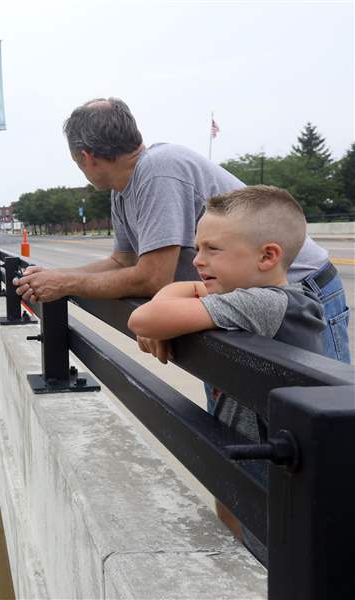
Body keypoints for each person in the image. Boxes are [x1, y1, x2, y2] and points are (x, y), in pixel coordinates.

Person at [14, 97, 350, 364]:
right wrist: (55, 276)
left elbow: (152, 277)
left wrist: (65, 283)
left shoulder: (158, 171)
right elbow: (121, 262)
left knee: (318, 408)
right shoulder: (123, 188)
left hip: (294, 288)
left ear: (86, 157)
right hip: (229, 293)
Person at [127, 185, 327, 565]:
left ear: (268, 256)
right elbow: (156, 316)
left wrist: (176, 304)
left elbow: (144, 318)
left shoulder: (268, 302)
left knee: (280, 554)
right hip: (250, 454)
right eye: (198, 248)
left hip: (286, 469)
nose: (198, 260)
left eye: (212, 250)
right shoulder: (247, 297)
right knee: (239, 520)